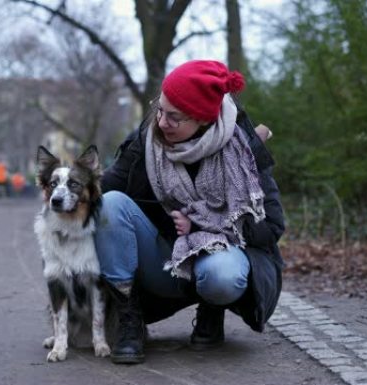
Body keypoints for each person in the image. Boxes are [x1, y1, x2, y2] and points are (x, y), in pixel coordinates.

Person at [94, 60, 285, 364]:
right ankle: (129, 318)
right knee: (110, 204)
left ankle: (212, 309)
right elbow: (105, 187)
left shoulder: (242, 150)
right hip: (164, 261)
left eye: (174, 117)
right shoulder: (148, 140)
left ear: (204, 120)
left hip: (215, 260)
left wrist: (200, 225)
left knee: (222, 277)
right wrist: (69, 192)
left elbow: (272, 226)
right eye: (160, 109)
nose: (162, 122)